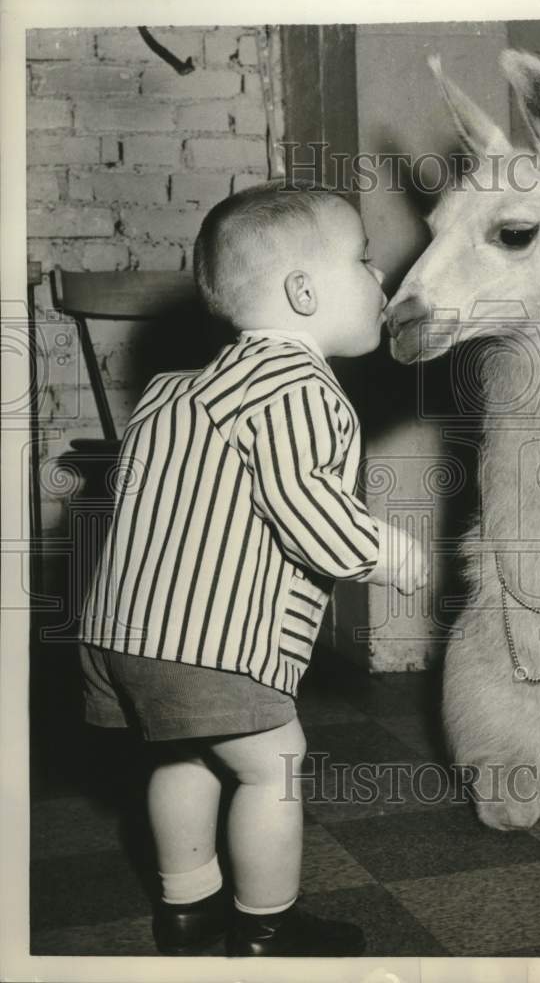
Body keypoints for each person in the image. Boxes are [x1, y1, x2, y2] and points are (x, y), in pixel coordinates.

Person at [78, 181, 427, 957]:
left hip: (123, 633)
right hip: (210, 641)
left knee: (184, 755)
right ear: (304, 291)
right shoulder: (301, 389)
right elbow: (305, 505)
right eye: (365, 261)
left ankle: (186, 907)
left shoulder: (173, 391)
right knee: (275, 765)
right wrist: (386, 551)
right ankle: (267, 924)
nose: (381, 279)